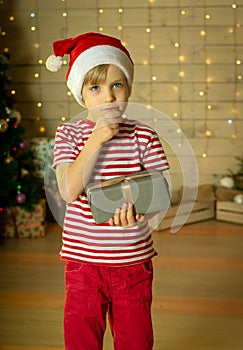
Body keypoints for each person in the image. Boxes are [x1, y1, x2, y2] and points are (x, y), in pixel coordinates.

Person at [46, 32, 169, 350]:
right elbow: (69, 190)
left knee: (136, 339)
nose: (109, 97)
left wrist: (141, 210)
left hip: (132, 260)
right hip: (83, 263)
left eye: (118, 84)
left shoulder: (144, 136)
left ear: (129, 88)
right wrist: (96, 139)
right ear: (81, 93)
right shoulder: (69, 134)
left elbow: (159, 193)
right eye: (96, 87)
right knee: (81, 337)